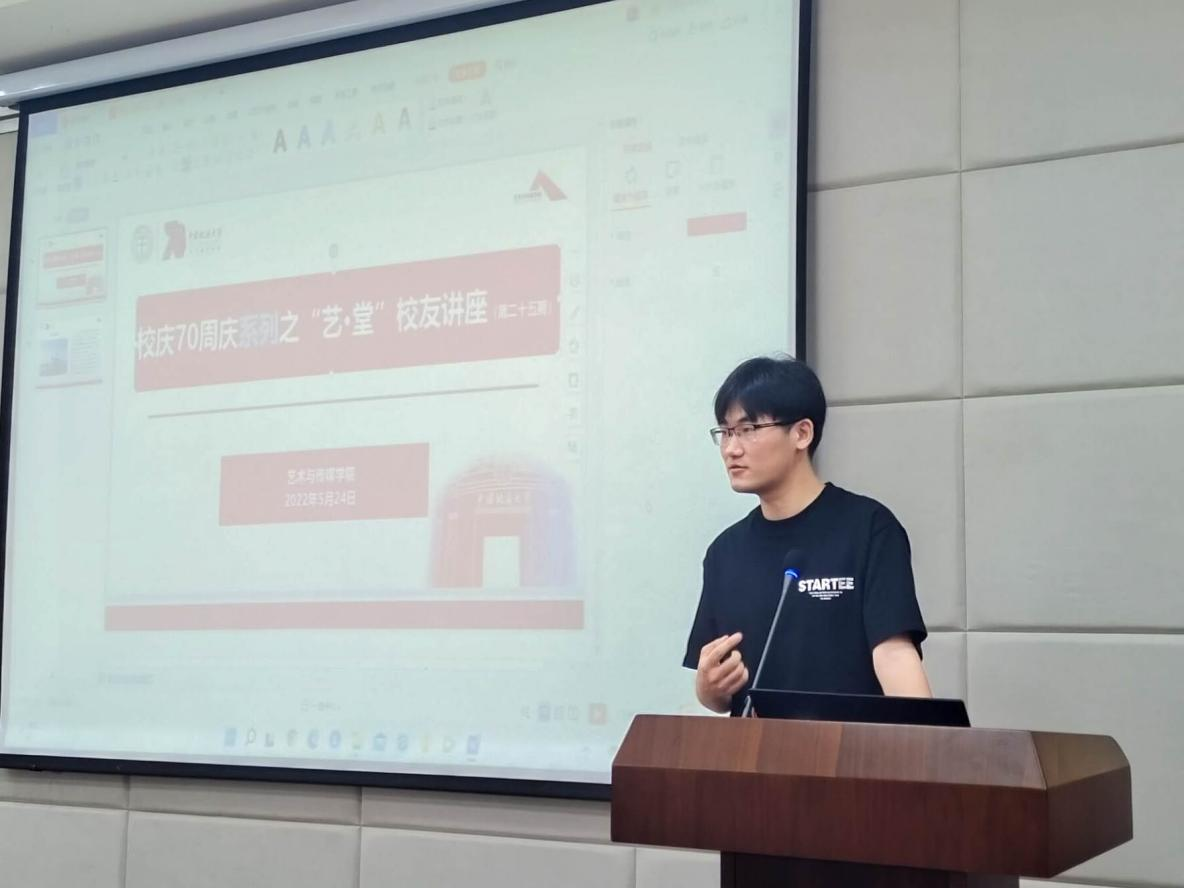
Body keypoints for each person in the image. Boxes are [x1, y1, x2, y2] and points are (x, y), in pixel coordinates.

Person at [683, 355, 931, 715]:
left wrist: (928, 739)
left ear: (801, 433)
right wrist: (708, 687)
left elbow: (893, 654)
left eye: (748, 429)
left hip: (848, 745)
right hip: (757, 749)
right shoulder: (725, 552)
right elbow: (721, 698)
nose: (732, 449)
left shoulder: (868, 528)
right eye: (725, 432)